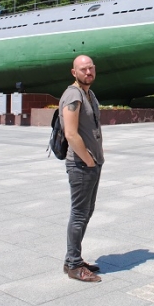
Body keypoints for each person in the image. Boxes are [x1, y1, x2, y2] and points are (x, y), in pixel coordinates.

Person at [60, 55, 104, 282]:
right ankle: (74, 265)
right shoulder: (73, 95)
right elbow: (70, 133)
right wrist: (88, 161)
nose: (88, 72)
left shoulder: (89, 93)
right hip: (81, 165)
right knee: (79, 214)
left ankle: (72, 258)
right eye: (83, 69)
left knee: (86, 212)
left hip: (92, 163)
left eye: (91, 68)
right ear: (74, 72)